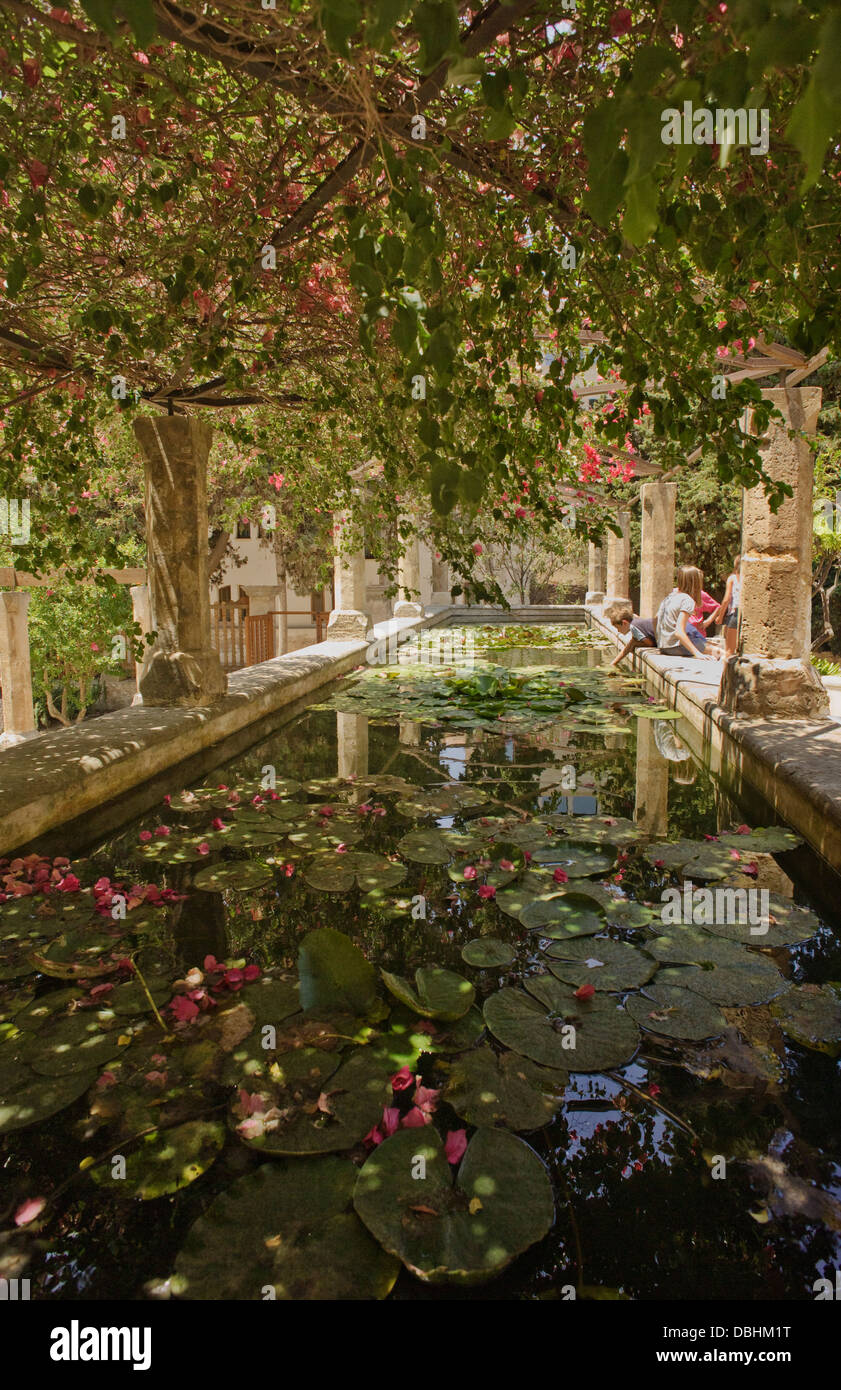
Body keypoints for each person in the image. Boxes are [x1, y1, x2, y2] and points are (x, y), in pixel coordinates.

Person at [656, 565, 716, 659]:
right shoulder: (687, 600)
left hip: (663, 647)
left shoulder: (670, 597)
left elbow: (656, 619)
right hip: (675, 648)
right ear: (696, 583)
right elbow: (679, 632)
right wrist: (697, 653)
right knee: (718, 651)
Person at [603, 600, 656, 667]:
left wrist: (636, 644)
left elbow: (650, 644)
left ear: (624, 623)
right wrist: (613, 663)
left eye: (618, 628)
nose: (618, 631)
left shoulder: (633, 627)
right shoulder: (635, 622)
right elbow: (628, 647)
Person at [712, 556, 741, 655]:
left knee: (729, 651)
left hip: (734, 613)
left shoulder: (732, 578)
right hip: (745, 614)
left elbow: (726, 599)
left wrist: (720, 616)